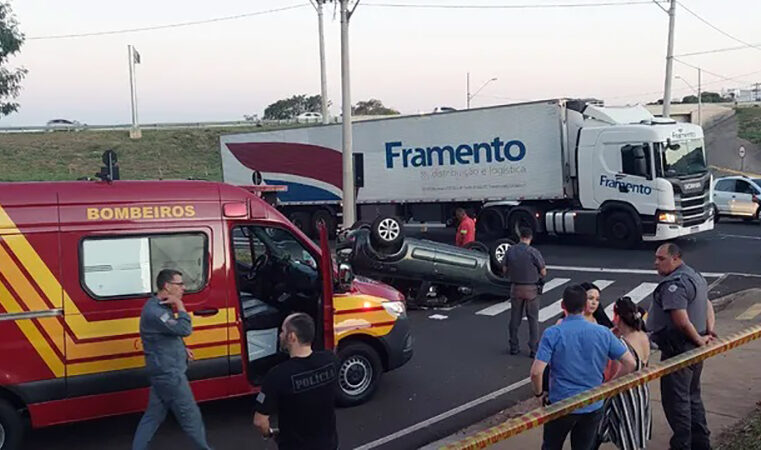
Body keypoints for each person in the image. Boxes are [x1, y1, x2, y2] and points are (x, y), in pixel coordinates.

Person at [530, 284, 636, 450]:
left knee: (551, 445)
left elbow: (536, 372)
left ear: (563, 306)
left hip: (560, 403)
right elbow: (630, 363)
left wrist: (539, 393)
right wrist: (609, 385)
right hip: (592, 403)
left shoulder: (553, 333)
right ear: (584, 305)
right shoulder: (603, 332)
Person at [647, 243, 716, 450]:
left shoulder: (674, 285)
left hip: (679, 350)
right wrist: (708, 331)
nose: (656, 263)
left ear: (675, 258)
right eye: (656, 258)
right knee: (692, 396)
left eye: (661, 259)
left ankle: (682, 445)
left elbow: (681, 320)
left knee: (677, 402)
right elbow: (707, 305)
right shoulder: (694, 276)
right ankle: (701, 443)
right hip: (693, 348)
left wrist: (698, 338)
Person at [132, 269, 211, 450]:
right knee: (191, 415)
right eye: (179, 284)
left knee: (153, 416)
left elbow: (167, 334)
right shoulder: (156, 311)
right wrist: (180, 306)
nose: (183, 288)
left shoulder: (160, 307)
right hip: (169, 374)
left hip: (164, 372)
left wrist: (182, 348)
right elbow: (184, 329)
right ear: (167, 286)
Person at [253, 313, 339, 450]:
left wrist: (269, 433)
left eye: (282, 331)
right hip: (329, 445)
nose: (280, 335)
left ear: (292, 337)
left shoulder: (277, 375)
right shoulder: (330, 360)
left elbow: (260, 421)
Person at [597, 296, 652, 450]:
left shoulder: (622, 343)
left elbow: (623, 368)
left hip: (624, 395)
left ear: (618, 317)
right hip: (641, 390)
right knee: (636, 432)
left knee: (624, 433)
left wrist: (609, 384)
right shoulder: (642, 336)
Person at [504, 226, 546, 356]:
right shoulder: (533, 252)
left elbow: (504, 270)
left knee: (514, 319)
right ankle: (533, 349)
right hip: (531, 290)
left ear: (520, 236)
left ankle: (514, 346)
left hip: (516, 288)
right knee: (533, 320)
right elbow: (543, 272)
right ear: (530, 238)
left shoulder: (510, 251)